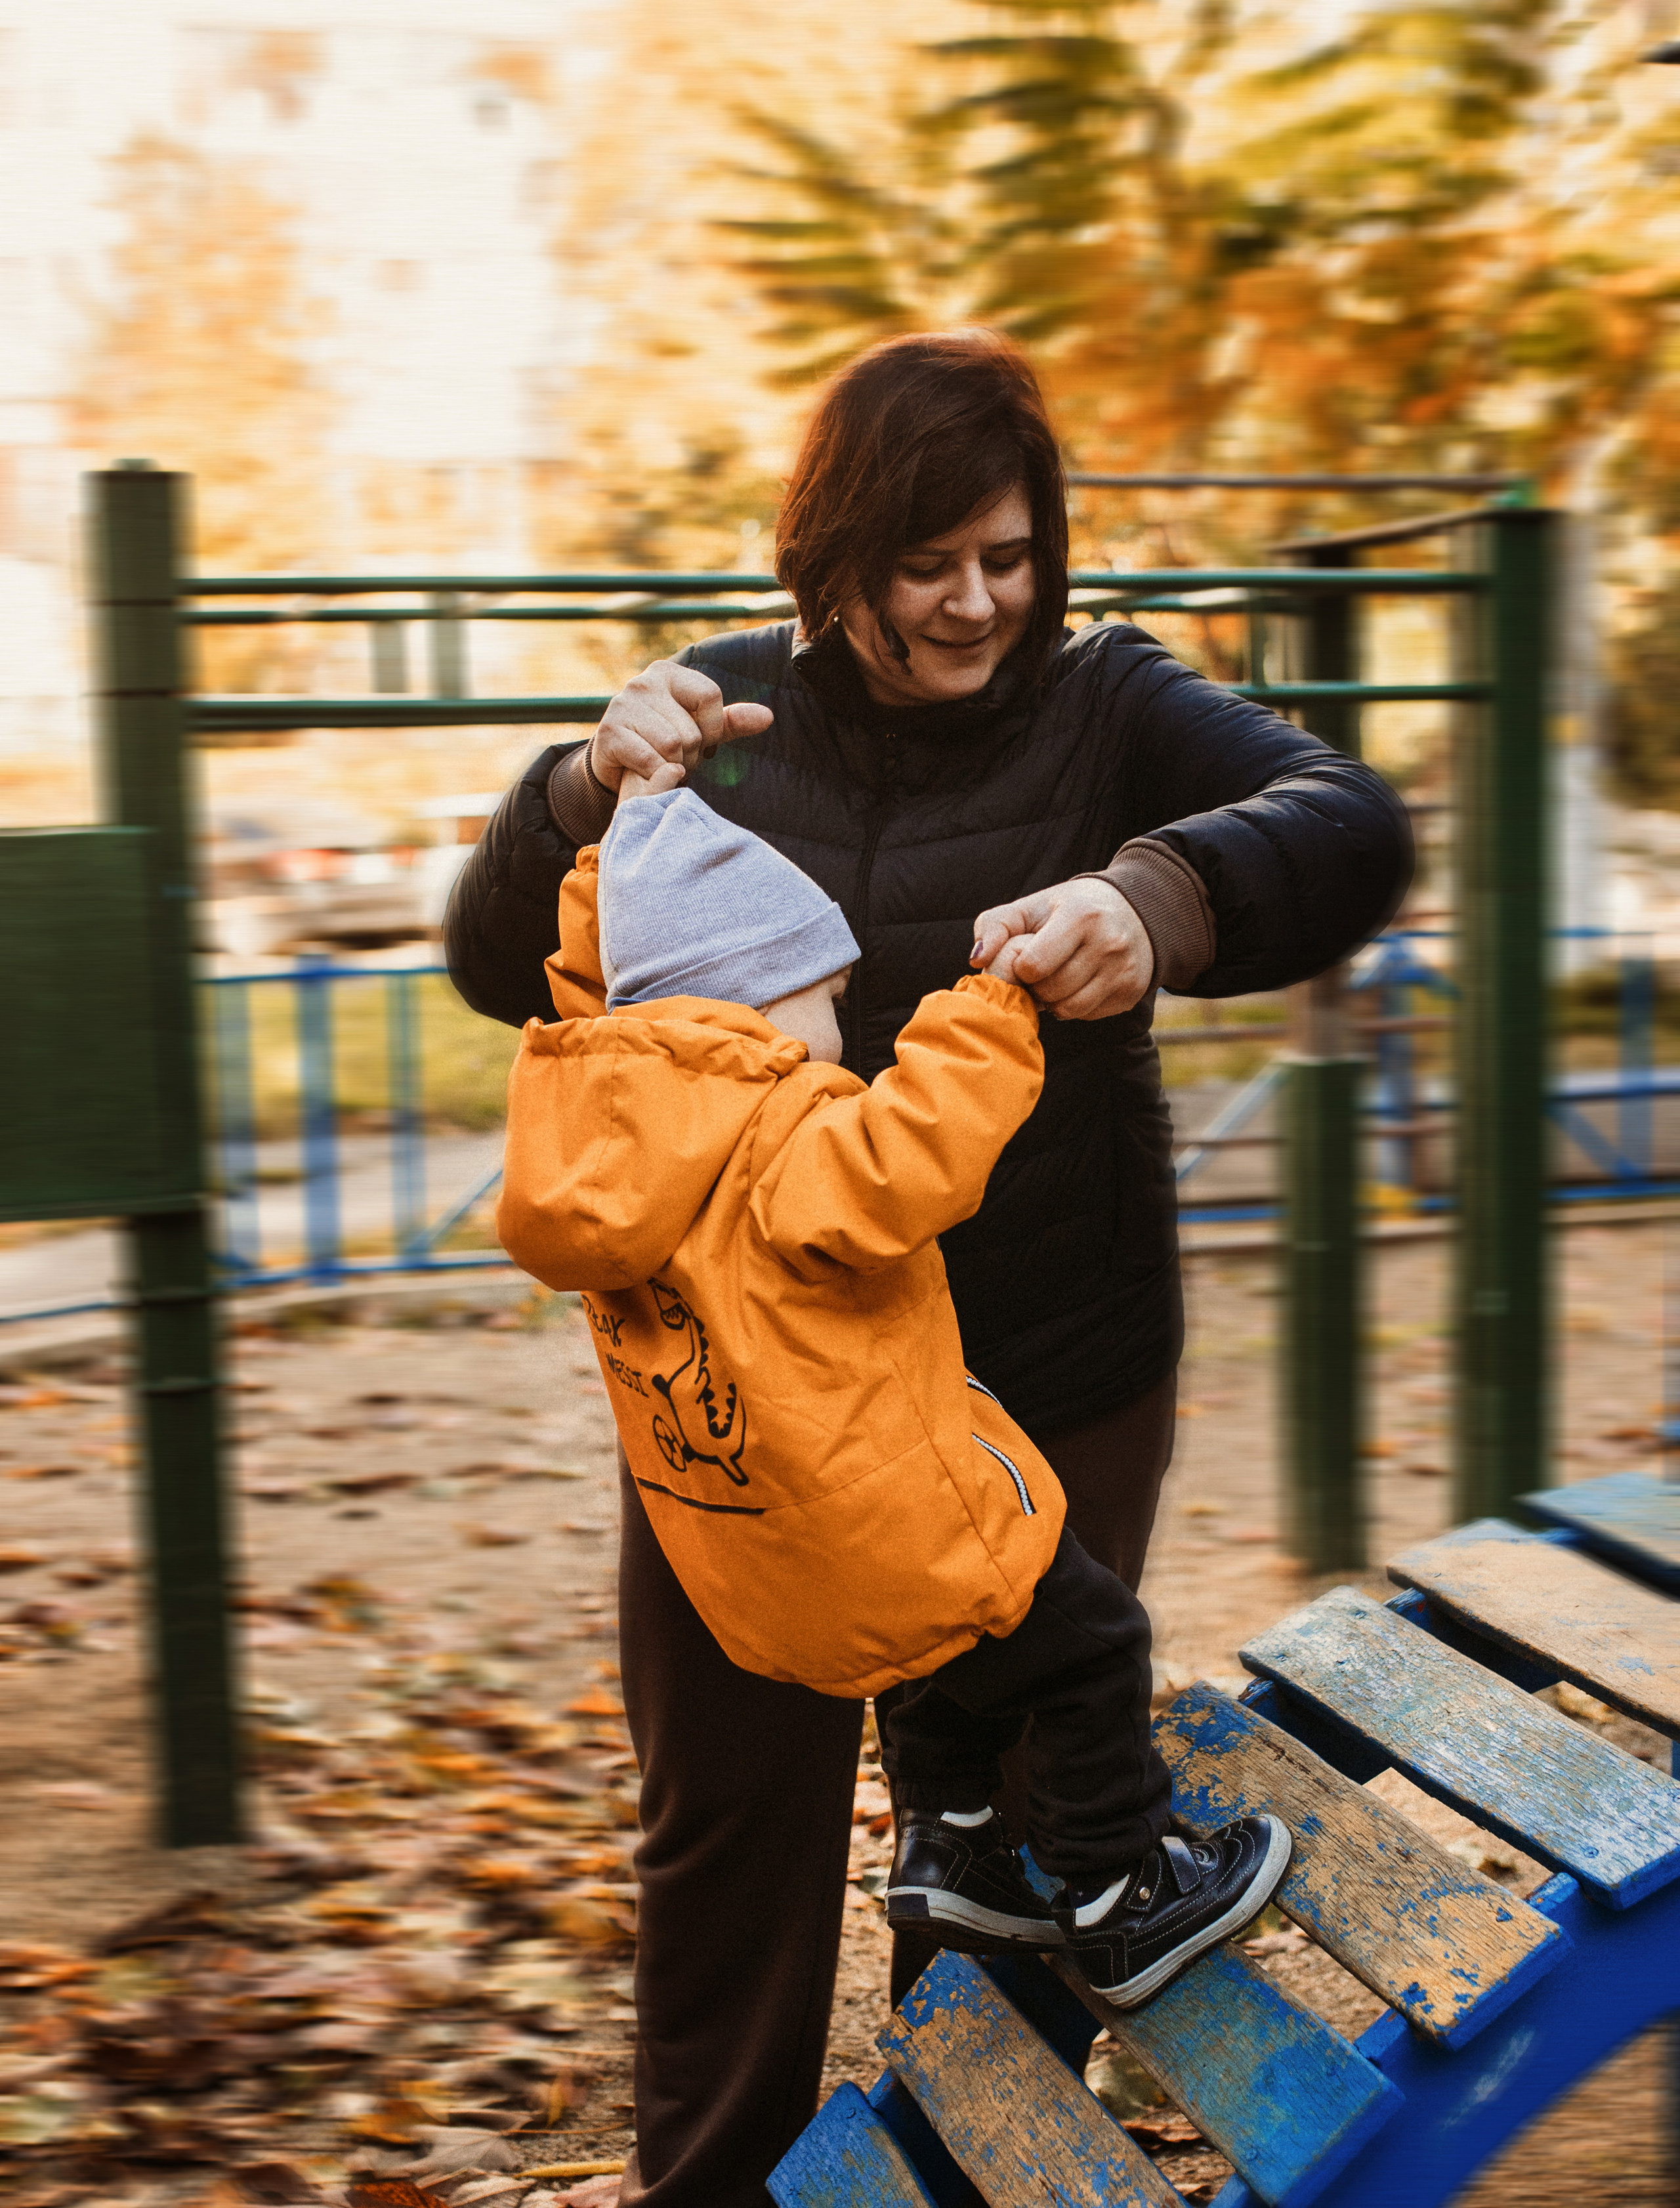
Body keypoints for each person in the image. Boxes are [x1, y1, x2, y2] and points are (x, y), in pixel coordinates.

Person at [445, 328, 1411, 2207]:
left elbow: (1351, 826)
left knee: (1022, 1825)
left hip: (1049, 1346)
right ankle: (711, 2183)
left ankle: (970, 2180)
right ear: (833, 554)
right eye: (927, 563)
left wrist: (1160, 898)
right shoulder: (720, 714)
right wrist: (577, 789)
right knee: (731, 1815)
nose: (979, 601)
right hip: (756, 1395)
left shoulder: (1108, 701)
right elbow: (508, 970)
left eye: (1012, 554)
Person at [496, 781, 1292, 2015]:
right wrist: (990, 1005)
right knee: (1090, 1648)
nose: (839, 1033)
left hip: (769, 1564)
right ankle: (1119, 1891)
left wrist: (617, 856)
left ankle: (954, 1847)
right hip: (900, 1522)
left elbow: (600, 993)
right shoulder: (773, 1137)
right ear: (749, 1005)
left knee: (933, 1664)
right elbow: (903, 1159)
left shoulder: (611, 1150)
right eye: (823, 999)